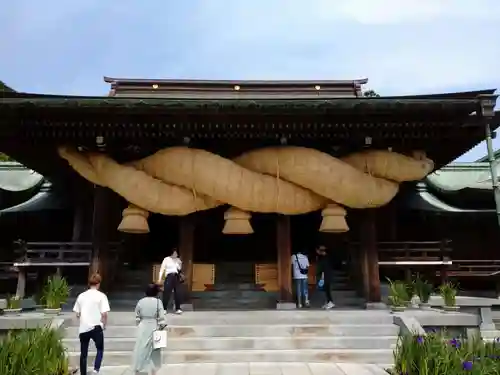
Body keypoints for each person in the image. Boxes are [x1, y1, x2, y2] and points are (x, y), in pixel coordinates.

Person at [73, 273, 110, 375]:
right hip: (96, 327)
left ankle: (83, 373)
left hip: (84, 328)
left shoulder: (81, 296)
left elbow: (77, 313)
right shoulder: (101, 296)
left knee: (83, 353)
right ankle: (95, 370)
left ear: (89, 284)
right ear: (98, 284)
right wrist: (104, 325)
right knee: (100, 349)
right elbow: (104, 314)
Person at [132, 283, 167, 375]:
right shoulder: (158, 302)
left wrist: (139, 323)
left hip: (143, 325)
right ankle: (153, 370)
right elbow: (162, 317)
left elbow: (137, 315)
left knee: (141, 347)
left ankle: (139, 367)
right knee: (154, 350)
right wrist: (161, 326)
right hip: (154, 325)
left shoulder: (141, 301)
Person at [157, 248, 183, 314]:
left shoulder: (178, 260)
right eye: (175, 253)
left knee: (178, 293)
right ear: (171, 253)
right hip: (169, 276)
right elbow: (162, 269)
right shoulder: (166, 259)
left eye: (177, 253)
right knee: (167, 292)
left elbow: (179, 269)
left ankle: (178, 308)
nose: (176, 254)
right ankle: (164, 308)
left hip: (176, 276)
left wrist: (180, 264)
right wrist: (159, 278)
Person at [316, 245, 335, 309]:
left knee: (328, 290)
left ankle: (331, 302)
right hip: (326, 275)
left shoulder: (325, 258)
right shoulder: (324, 258)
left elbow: (324, 269)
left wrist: (322, 277)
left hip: (326, 276)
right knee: (326, 290)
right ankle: (328, 302)